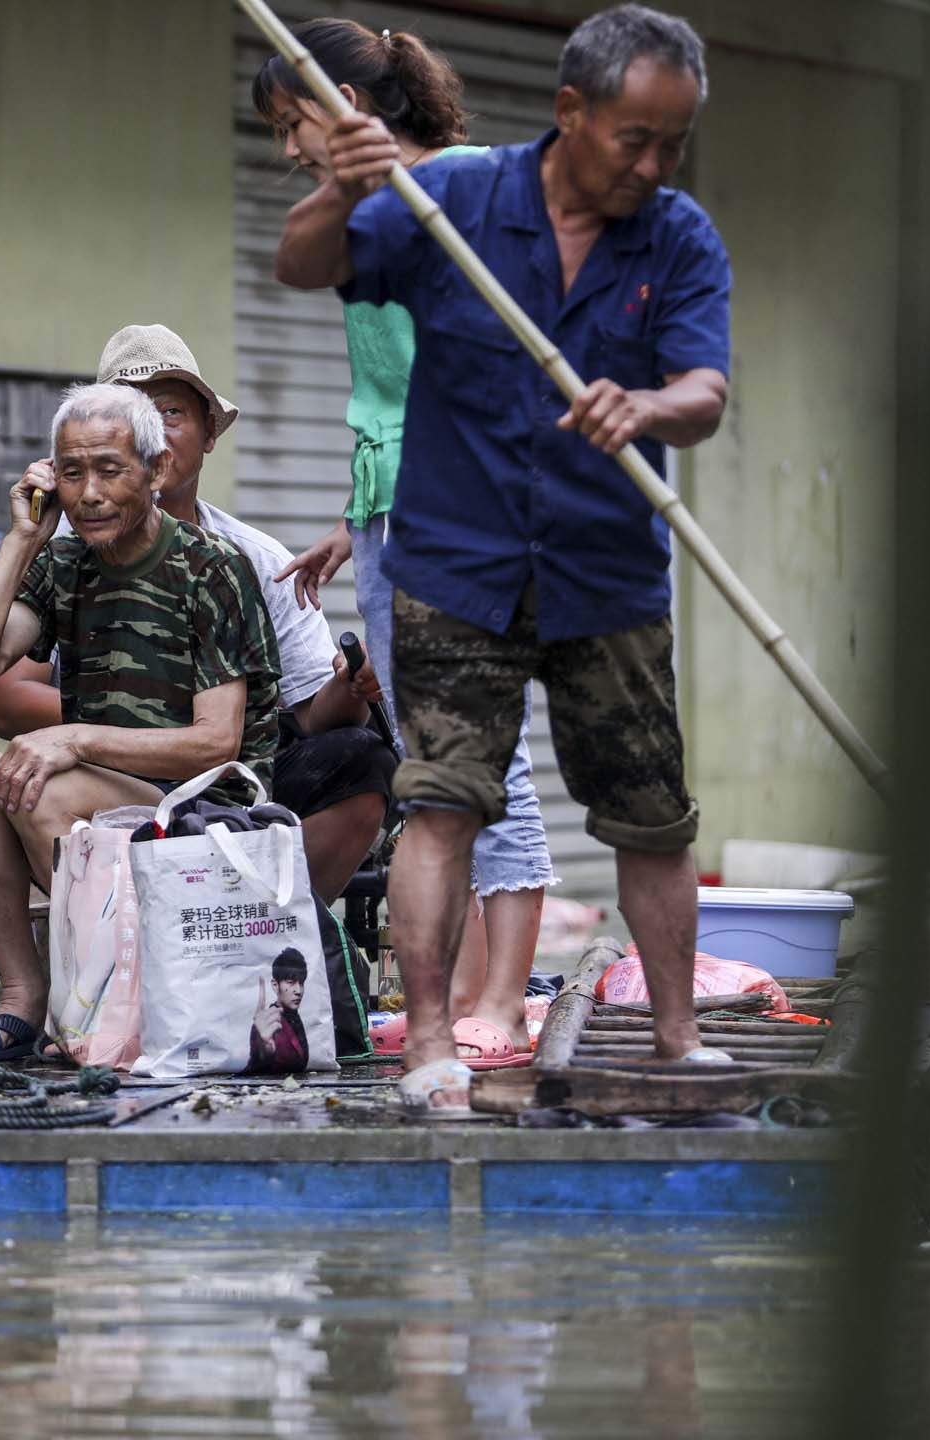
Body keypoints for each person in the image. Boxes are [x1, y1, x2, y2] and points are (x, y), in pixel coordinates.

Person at [274, 4, 735, 1113]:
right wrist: (342, 184)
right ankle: (435, 1039)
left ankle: (678, 1040)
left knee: (650, 811)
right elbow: (303, 264)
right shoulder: (460, 202)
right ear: (571, 113)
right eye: (636, 138)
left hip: (606, 569)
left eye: (674, 142)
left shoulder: (678, 237)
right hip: (453, 564)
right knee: (442, 804)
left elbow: (706, 393)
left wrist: (652, 404)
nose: (654, 164)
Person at [259, 20, 553, 1069]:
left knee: (488, 755)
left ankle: (506, 1001)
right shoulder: (363, 209)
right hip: (395, 507)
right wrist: (356, 519)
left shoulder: (473, 182)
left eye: (292, 123)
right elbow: (395, 379)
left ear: (340, 99)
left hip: (470, 510)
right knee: (434, 760)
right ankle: (469, 991)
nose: (289, 150)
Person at [0, 326, 393, 910]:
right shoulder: (60, 552)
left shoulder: (243, 559)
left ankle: (279, 932)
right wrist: (113, 731)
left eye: (171, 410)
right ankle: (63, 978)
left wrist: (351, 681)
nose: (154, 425)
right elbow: (1, 698)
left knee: (361, 757)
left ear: (207, 433)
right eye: (134, 410)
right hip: (99, 767)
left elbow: (309, 715)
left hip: (214, 774)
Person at [0, 383, 282, 1061]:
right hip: (109, 806)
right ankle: (22, 1001)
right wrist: (22, 539)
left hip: (207, 819)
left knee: (46, 783)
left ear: (155, 472)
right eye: (71, 473)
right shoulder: (64, 562)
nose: (88, 493)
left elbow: (217, 744)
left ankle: (100, 1009)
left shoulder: (210, 567)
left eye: (109, 470)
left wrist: (74, 737)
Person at [244, 949, 312, 1075]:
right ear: (275, 985)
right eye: (291, 983)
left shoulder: (294, 1017)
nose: (298, 990)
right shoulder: (267, 1023)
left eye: (301, 983)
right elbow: (257, 1064)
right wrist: (264, 1051)